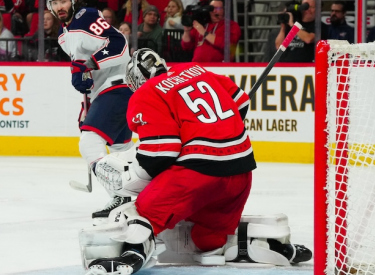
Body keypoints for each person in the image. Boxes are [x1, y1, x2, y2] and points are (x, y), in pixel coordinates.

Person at [80, 48, 312, 274]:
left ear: (136, 79)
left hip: (198, 175)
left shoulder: (147, 92)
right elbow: (241, 102)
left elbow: (160, 154)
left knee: (137, 212)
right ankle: (256, 243)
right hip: (240, 174)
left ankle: (132, 253)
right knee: (207, 239)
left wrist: (130, 180)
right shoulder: (194, 70)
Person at [47, 0, 134, 223]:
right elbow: (83, 68)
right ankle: (137, 197)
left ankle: (121, 196)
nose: (60, 6)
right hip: (107, 92)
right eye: (54, 2)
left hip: (117, 86)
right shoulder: (63, 34)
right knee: (120, 151)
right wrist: (86, 96)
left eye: (63, 0)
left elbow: (119, 44)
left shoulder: (85, 17)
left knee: (89, 143)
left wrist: (90, 65)